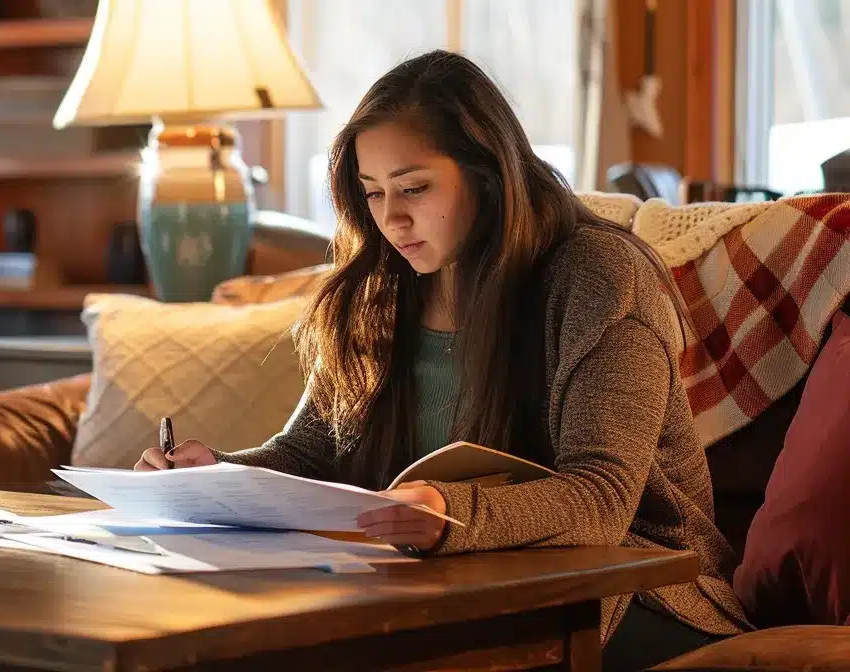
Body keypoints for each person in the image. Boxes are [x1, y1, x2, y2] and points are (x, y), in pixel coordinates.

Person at [134, 50, 748, 670]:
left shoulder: (599, 276)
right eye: (373, 194)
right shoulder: (380, 286)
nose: (392, 220)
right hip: (451, 587)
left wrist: (452, 514)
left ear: (487, 172)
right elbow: (306, 454)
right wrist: (212, 474)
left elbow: (601, 499)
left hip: (634, 594)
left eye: (415, 188)